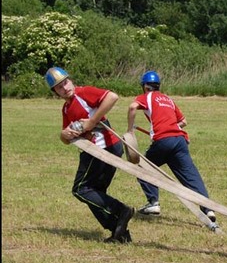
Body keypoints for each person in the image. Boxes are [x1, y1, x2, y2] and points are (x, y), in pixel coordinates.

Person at [45, 66, 134, 243]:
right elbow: (67, 138)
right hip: (96, 149)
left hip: (102, 148)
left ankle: (121, 210)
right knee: (96, 192)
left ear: (71, 80)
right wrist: (63, 135)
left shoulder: (83, 93)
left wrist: (92, 121)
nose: (65, 88)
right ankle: (119, 233)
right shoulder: (66, 108)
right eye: (59, 87)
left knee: (81, 189)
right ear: (55, 92)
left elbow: (112, 97)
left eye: (66, 82)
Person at [125, 70, 217, 227]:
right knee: (191, 177)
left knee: (142, 167)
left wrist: (129, 131)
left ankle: (153, 203)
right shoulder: (168, 99)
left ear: (145, 86)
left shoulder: (147, 96)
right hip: (180, 141)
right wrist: (170, 127)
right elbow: (183, 121)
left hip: (164, 141)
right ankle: (208, 209)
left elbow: (133, 107)